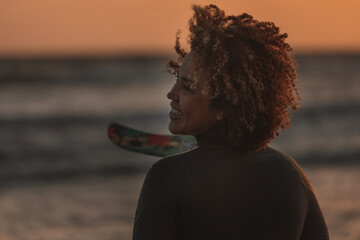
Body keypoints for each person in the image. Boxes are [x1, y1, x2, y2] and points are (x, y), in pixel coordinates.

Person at [133, 4, 329, 240]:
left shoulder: (167, 177)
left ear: (224, 106)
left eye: (187, 86)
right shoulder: (291, 175)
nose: (171, 94)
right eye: (177, 79)